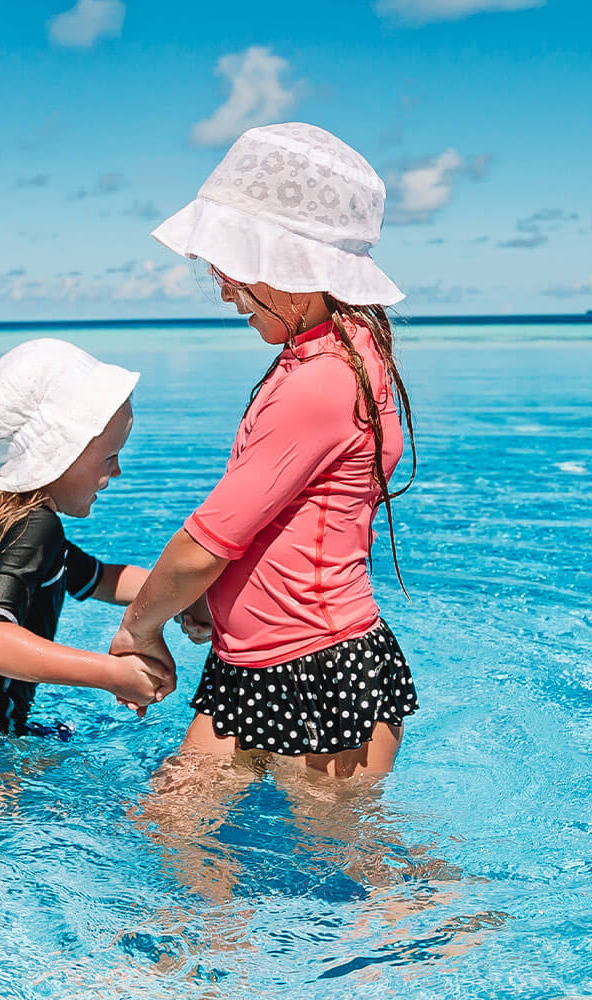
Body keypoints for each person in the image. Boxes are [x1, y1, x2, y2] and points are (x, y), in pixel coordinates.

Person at [111, 122, 418, 779]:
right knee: (173, 830)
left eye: (235, 263)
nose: (223, 288)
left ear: (295, 264)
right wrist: (207, 602)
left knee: (352, 866)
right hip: (262, 663)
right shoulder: (346, 354)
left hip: (313, 670)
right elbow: (280, 524)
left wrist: (140, 626)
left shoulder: (322, 379)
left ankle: (451, 891)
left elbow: (206, 544)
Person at [0, 338, 173, 733]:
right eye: (109, 457)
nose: (116, 473)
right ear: (62, 453)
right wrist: (112, 673)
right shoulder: (35, 527)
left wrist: (190, 598)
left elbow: (104, 579)